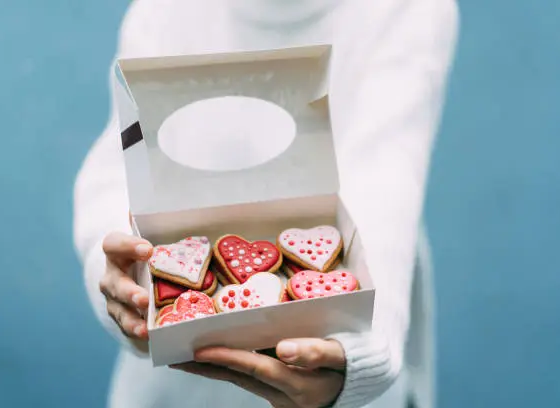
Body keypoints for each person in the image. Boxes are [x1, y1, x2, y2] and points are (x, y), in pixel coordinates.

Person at [73, 0, 459, 407]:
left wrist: (362, 349)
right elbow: (118, 165)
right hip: (174, 380)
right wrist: (126, 279)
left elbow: (384, 177)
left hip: (335, 358)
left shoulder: (410, 9)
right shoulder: (163, 9)